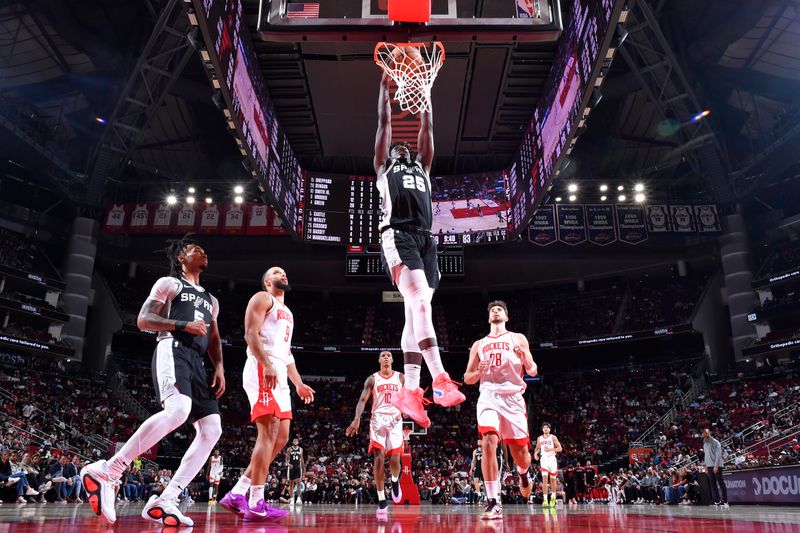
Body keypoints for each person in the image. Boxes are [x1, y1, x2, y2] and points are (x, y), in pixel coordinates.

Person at [81, 237, 225, 526]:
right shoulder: (169, 284)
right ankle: (109, 470)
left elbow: (213, 336)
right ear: (182, 257)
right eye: (196, 248)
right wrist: (182, 325)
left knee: (212, 429)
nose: (203, 251)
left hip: (197, 362)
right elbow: (144, 319)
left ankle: (166, 499)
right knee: (178, 410)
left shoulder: (212, 300)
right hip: (173, 347)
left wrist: (219, 366)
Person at [374, 69, 465, 429]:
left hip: (427, 238)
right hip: (398, 235)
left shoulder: (423, 167)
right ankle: (440, 378)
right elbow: (384, 123)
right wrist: (385, 88)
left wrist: (425, 94)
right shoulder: (384, 168)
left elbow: (427, 131)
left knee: (415, 311)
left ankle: (410, 391)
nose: (403, 147)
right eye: (399, 146)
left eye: (406, 146)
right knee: (420, 302)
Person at [219, 266, 315, 521]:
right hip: (263, 366)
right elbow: (251, 334)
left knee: (282, 437)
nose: (283, 274)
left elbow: (288, 353)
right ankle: (255, 500)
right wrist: (268, 365)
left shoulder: (289, 313)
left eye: (285, 272)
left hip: (280, 371)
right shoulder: (263, 298)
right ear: (266, 281)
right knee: (269, 431)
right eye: (276, 271)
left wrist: (298, 383)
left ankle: (237, 492)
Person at [463, 300, 538, 520]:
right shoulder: (479, 344)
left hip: (513, 398)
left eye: (500, 310)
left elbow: (532, 371)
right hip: (488, 395)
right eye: (492, 310)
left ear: (506, 316)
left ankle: (523, 474)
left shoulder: (518, 338)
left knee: (522, 457)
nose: (496, 311)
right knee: (488, 442)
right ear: (489, 318)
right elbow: (467, 378)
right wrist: (478, 371)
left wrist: (525, 358)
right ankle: (493, 501)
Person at [346, 351, 404, 514]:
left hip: (395, 420)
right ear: (379, 360)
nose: (386, 357)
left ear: (392, 360)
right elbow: (362, 400)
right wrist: (357, 417)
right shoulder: (372, 378)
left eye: (389, 355)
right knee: (378, 458)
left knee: (394, 459)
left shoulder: (401, 377)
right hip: (378, 420)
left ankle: (394, 480)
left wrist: (408, 409)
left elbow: (409, 396)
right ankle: (381, 499)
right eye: (383, 355)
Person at [534, 423, 562, 507]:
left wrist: (550, 449)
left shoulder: (553, 437)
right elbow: (538, 448)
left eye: (547, 427)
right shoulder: (539, 438)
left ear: (549, 429)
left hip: (552, 460)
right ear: (542, 429)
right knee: (544, 481)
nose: (545, 429)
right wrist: (535, 454)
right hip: (544, 460)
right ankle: (545, 500)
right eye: (544, 427)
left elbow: (560, 448)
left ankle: (553, 498)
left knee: (553, 480)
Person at [703, 428, 728, 507]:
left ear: (709, 433)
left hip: (717, 466)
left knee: (721, 483)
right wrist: (706, 466)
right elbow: (706, 455)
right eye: (704, 434)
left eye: (706, 433)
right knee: (713, 484)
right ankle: (716, 500)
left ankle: (725, 501)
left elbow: (718, 455)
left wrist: (716, 466)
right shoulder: (705, 443)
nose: (705, 435)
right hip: (709, 466)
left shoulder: (716, 442)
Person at [286, 438, 305, 506]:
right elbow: (286, 459)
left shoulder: (300, 449)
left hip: (298, 467)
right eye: (294, 440)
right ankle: (292, 499)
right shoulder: (289, 449)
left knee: (299, 483)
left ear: (298, 442)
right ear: (292, 442)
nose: (295, 442)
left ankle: (299, 498)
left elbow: (302, 460)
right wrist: (288, 464)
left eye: (296, 441)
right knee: (291, 484)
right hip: (291, 468)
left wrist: (304, 470)